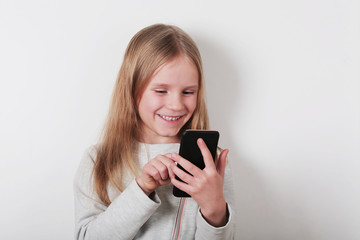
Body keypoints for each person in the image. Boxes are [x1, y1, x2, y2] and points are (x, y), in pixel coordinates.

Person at [74, 23, 235, 240]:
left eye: (188, 92)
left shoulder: (211, 162)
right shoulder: (99, 160)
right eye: (161, 90)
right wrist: (141, 189)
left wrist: (215, 211)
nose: (176, 105)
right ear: (132, 88)